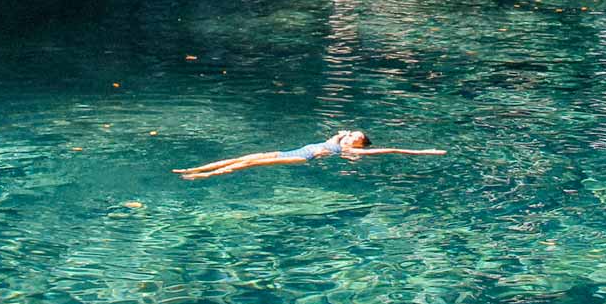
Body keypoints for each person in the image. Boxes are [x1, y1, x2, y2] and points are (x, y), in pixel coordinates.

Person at [173, 130, 446, 180]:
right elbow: (341, 131)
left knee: (250, 163)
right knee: (242, 156)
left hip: (305, 157)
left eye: (357, 136)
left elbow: (395, 149)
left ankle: (203, 178)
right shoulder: (338, 139)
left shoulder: (351, 150)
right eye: (353, 134)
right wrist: (344, 133)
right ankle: (194, 169)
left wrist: (426, 151)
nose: (352, 136)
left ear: (361, 144)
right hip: (294, 150)